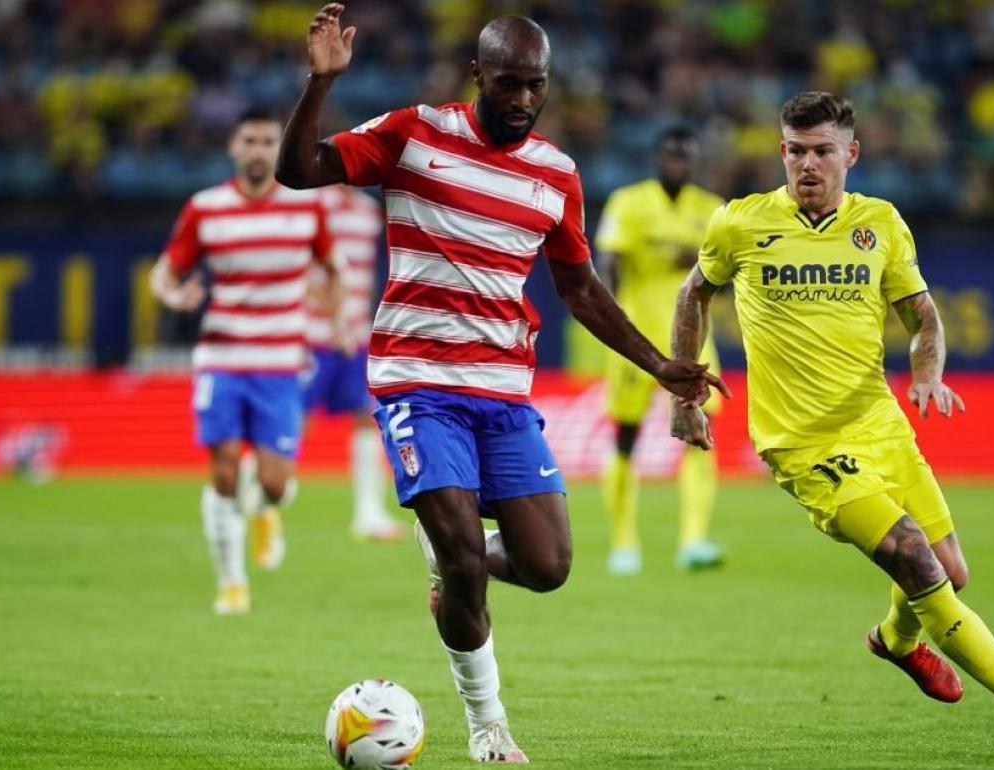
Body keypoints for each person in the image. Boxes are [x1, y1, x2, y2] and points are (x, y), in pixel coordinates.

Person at [276, 4, 725, 763]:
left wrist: (658, 365)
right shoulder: (415, 134)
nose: (522, 98)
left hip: (502, 394)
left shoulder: (556, 176)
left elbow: (581, 290)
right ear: (477, 75)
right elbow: (300, 170)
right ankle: (489, 726)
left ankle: (459, 553)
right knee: (458, 560)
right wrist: (319, 85)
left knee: (548, 568)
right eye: (509, 82)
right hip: (416, 383)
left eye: (536, 85)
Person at [670, 91, 994, 754]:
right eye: (796, 150)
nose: (807, 164)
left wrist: (927, 374)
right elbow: (693, 292)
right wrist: (685, 396)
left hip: (880, 424)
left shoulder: (881, 225)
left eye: (822, 152)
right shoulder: (740, 225)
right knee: (913, 556)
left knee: (952, 575)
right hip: (803, 444)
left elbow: (923, 317)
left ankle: (895, 641)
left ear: (851, 154)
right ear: (781, 151)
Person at [151, 108, 345, 615]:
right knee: (222, 472)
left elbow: (333, 268)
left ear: (276, 148)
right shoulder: (206, 208)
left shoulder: (306, 208)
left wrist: (337, 312)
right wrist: (173, 298)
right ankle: (231, 584)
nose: (258, 150)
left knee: (276, 485)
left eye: (266, 141)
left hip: (281, 361)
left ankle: (266, 511)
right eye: (249, 141)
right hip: (221, 355)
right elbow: (163, 274)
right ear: (233, 148)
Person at [595, 126, 725, 575]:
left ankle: (694, 540)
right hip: (639, 341)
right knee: (626, 436)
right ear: (657, 158)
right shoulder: (628, 204)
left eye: (684, 157)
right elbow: (608, 262)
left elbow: (727, 272)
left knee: (700, 437)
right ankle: (623, 542)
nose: (676, 164)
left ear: (694, 162)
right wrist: (611, 322)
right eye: (670, 156)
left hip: (694, 341)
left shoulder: (711, 211)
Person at [303, 184, 404, 542]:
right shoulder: (314, 205)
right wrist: (333, 318)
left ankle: (368, 514)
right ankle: (253, 502)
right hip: (314, 335)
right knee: (292, 422)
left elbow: (366, 271)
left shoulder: (368, 210)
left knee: (365, 418)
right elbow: (302, 270)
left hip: (356, 336)